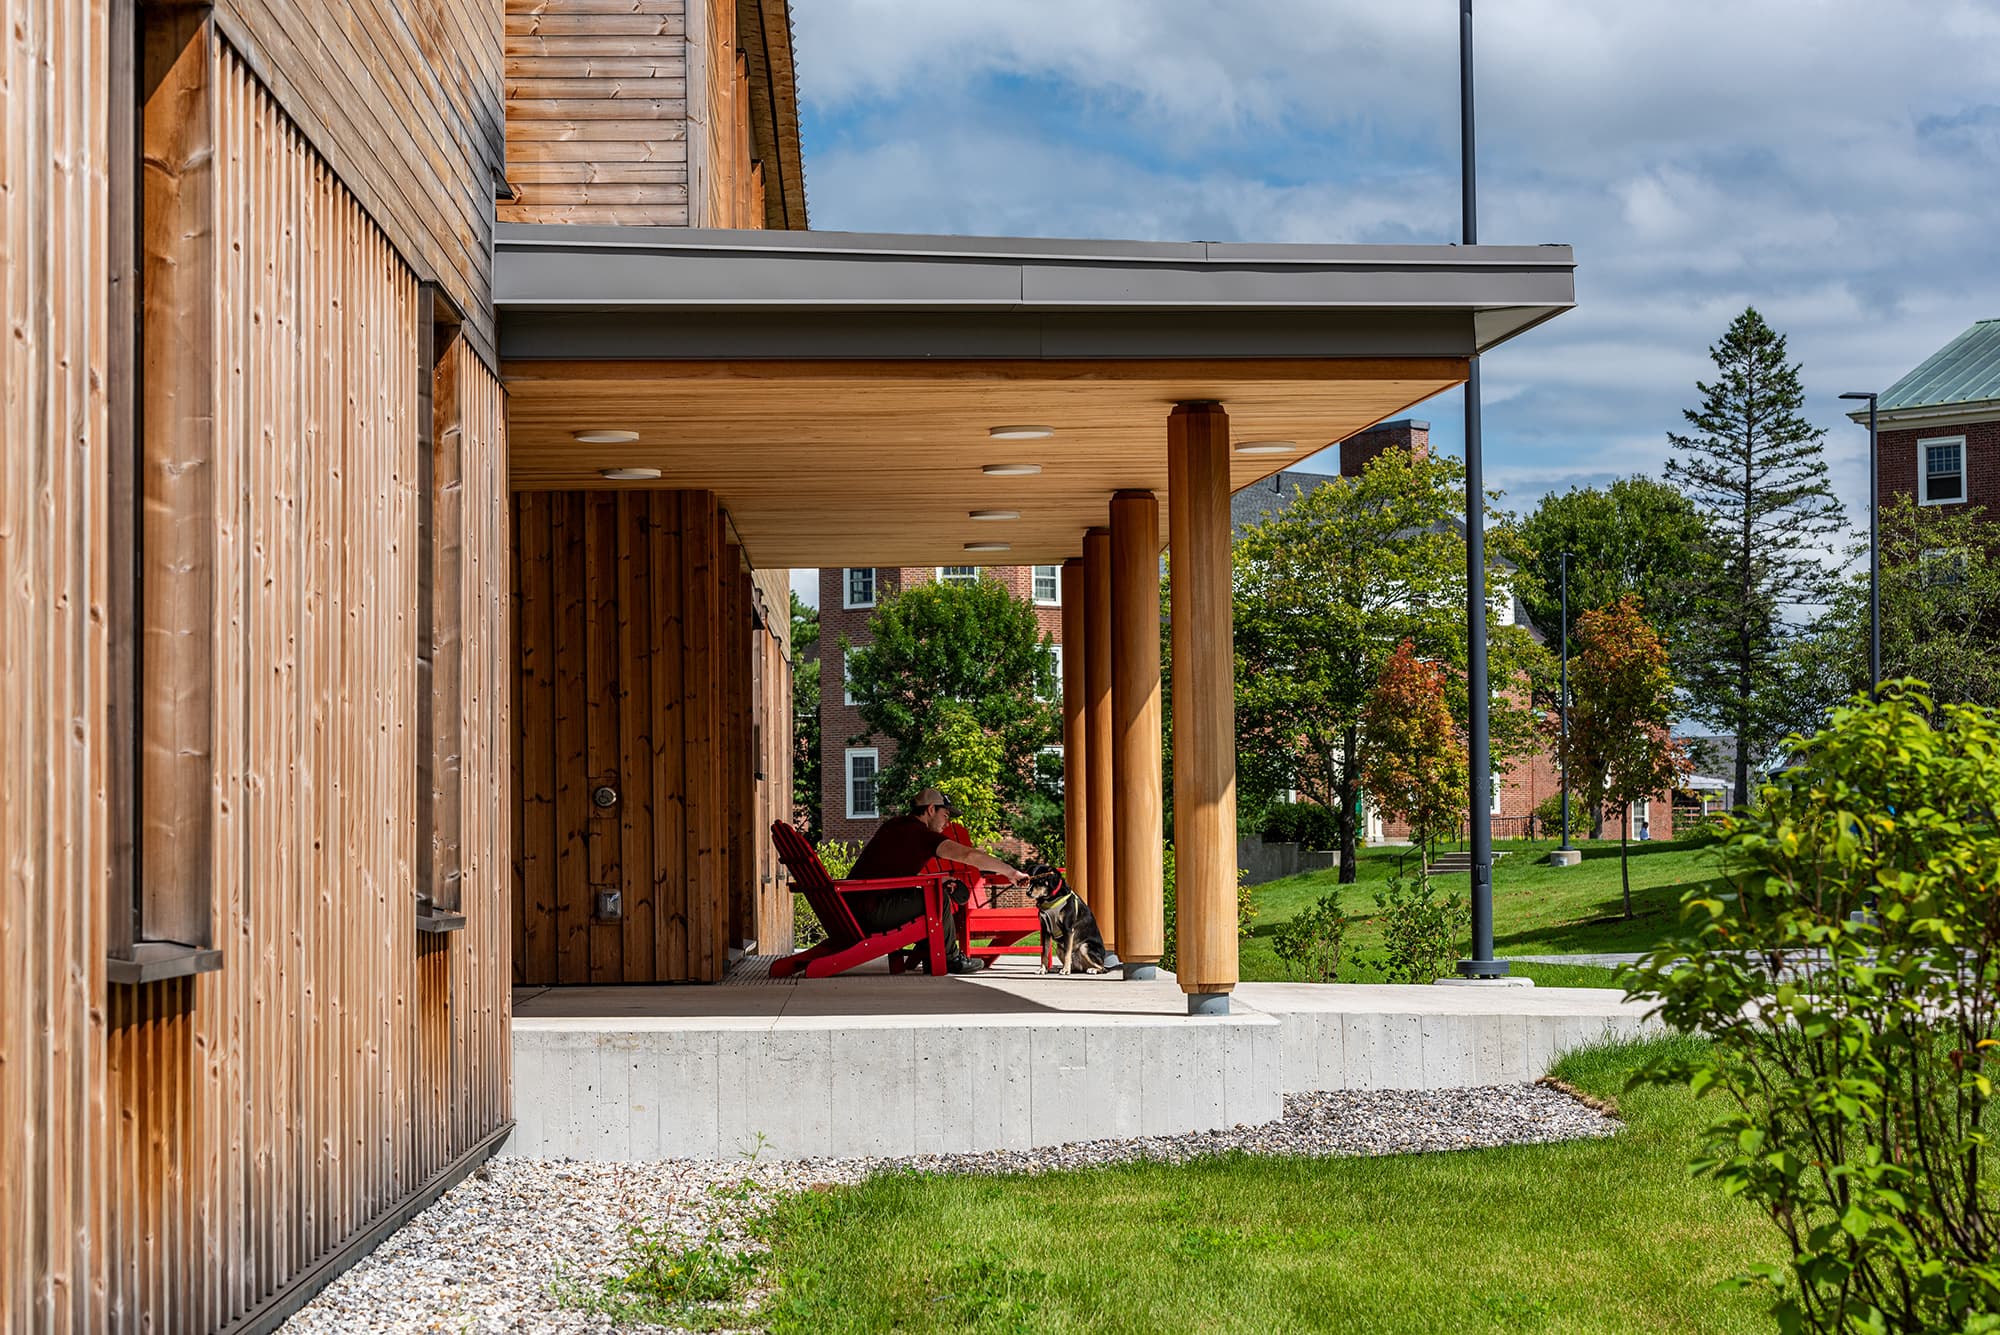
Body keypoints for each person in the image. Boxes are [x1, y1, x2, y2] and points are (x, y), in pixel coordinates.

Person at [849, 787, 1024, 974]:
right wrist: (1011, 872)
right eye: (946, 815)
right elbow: (968, 855)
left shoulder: (895, 826)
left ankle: (934, 956)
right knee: (937, 898)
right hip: (873, 912)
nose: (947, 824)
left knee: (932, 893)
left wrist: (936, 879)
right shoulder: (921, 834)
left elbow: (890, 874)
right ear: (931, 809)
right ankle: (950, 958)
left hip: (854, 908)